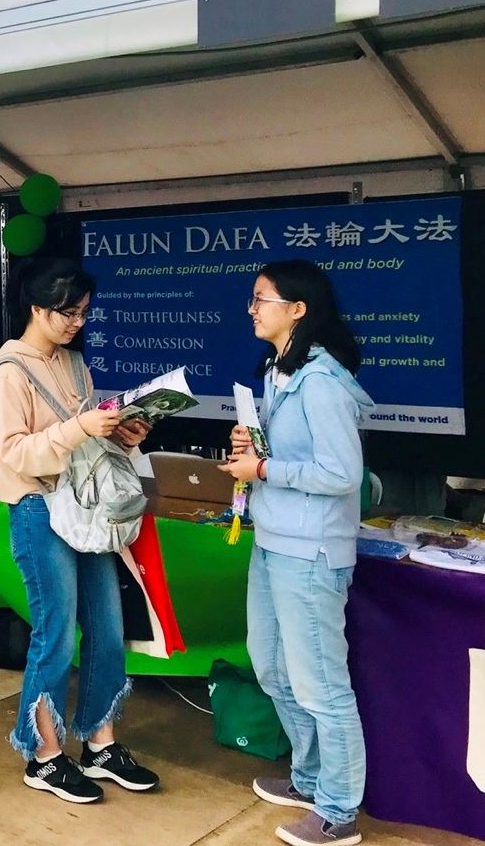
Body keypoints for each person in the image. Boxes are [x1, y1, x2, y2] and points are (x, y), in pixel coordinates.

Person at [0, 257, 158, 805]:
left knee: (107, 627)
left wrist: (122, 433)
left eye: (83, 313)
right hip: (38, 510)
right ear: (36, 308)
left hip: (86, 509)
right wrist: (81, 425)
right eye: (67, 313)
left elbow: (85, 447)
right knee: (55, 632)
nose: (77, 323)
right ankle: (44, 753)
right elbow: (12, 453)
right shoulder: (8, 371)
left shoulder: (76, 364)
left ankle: (100, 742)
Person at [220, 260, 373, 846]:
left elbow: (340, 472)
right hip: (272, 539)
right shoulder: (279, 373)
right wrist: (251, 446)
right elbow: (290, 454)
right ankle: (309, 778)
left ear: (298, 309)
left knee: (320, 685)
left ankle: (338, 811)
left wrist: (262, 466)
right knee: (272, 667)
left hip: (311, 551)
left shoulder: (324, 381)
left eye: (262, 299)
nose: (252, 309)